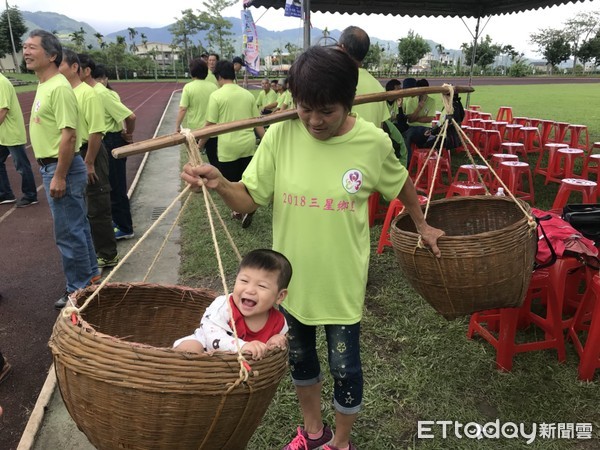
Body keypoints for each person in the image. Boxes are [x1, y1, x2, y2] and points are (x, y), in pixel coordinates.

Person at [181, 45, 444, 450]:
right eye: (306, 109)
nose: (315, 121)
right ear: (293, 101)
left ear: (348, 101)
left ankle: (340, 442)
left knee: (345, 368)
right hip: (289, 288)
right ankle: (313, 433)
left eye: (327, 111)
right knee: (300, 362)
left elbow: (402, 184)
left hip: (340, 284)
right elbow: (249, 198)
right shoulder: (281, 134)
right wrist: (220, 184)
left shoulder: (371, 142)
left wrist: (424, 224)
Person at [23, 29, 99, 310]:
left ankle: (77, 291)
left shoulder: (58, 87)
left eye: (33, 47)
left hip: (61, 167)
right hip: (55, 166)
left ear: (52, 55)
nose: (26, 52)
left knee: (69, 233)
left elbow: (69, 135)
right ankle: (89, 280)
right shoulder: (44, 85)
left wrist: (59, 176)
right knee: (77, 228)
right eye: (24, 47)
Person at [57, 50, 120, 270]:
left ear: (74, 68)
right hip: (75, 154)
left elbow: (96, 131)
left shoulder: (88, 93)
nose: (57, 69)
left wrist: (89, 161)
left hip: (89, 152)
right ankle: (94, 251)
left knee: (97, 202)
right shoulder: (64, 92)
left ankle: (107, 253)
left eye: (60, 64)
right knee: (81, 206)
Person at [173, 249, 291, 360]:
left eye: (262, 286)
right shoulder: (224, 306)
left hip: (235, 368)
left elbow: (271, 347)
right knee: (190, 349)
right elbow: (212, 337)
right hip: (205, 346)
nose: (250, 290)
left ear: (280, 296)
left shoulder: (278, 322)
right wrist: (242, 346)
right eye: (244, 281)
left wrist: (275, 341)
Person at [199, 59, 264, 229]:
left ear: (218, 76)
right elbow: (257, 123)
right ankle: (248, 207)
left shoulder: (216, 95)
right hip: (248, 145)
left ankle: (238, 211)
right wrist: (265, 142)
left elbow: (210, 125)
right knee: (246, 180)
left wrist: (199, 144)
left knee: (230, 183)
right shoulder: (247, 95)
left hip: (228, 146)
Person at [79, 54, 137, 241]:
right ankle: (115, 221)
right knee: (106, 186)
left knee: (116, 186)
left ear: (86, 71)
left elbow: (131, 116)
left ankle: (125, 226)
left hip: (110, 140)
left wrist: (127, 135)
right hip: (103, 141)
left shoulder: (100, 93)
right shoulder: (88, 92)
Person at [338, 26, 390, 128]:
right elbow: (381, 125)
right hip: (372, 143)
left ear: (342, 48)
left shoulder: (333, 80)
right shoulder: (378, 87)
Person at [0, 72, 38, 207]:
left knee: (21, 165)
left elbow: (3, 110)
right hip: (3, 133)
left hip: (12, 132)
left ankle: (30, 195)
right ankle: (5, 194)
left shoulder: (2, 82)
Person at [175, 58, 218, 166]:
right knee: (214, 159)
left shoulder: (188, 87)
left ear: (192, 72)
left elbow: (183, 108)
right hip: (212, 128)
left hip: (195, 130)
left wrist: (177, 126)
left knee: (195, 160)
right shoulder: (213, 87)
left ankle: (198, 181)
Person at [402, 78, 436, 156]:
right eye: (419, 91)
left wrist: (415, 118)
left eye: (424, 92)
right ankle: (408, 159)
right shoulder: (411, 100)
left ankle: (423, 153)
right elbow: (410, 120)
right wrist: (419, 108)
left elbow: (429, 119)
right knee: (408, 135)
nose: (421, 94)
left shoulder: (431, 101)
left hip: (425, 127)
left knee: (425, 134)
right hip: (412, 126)